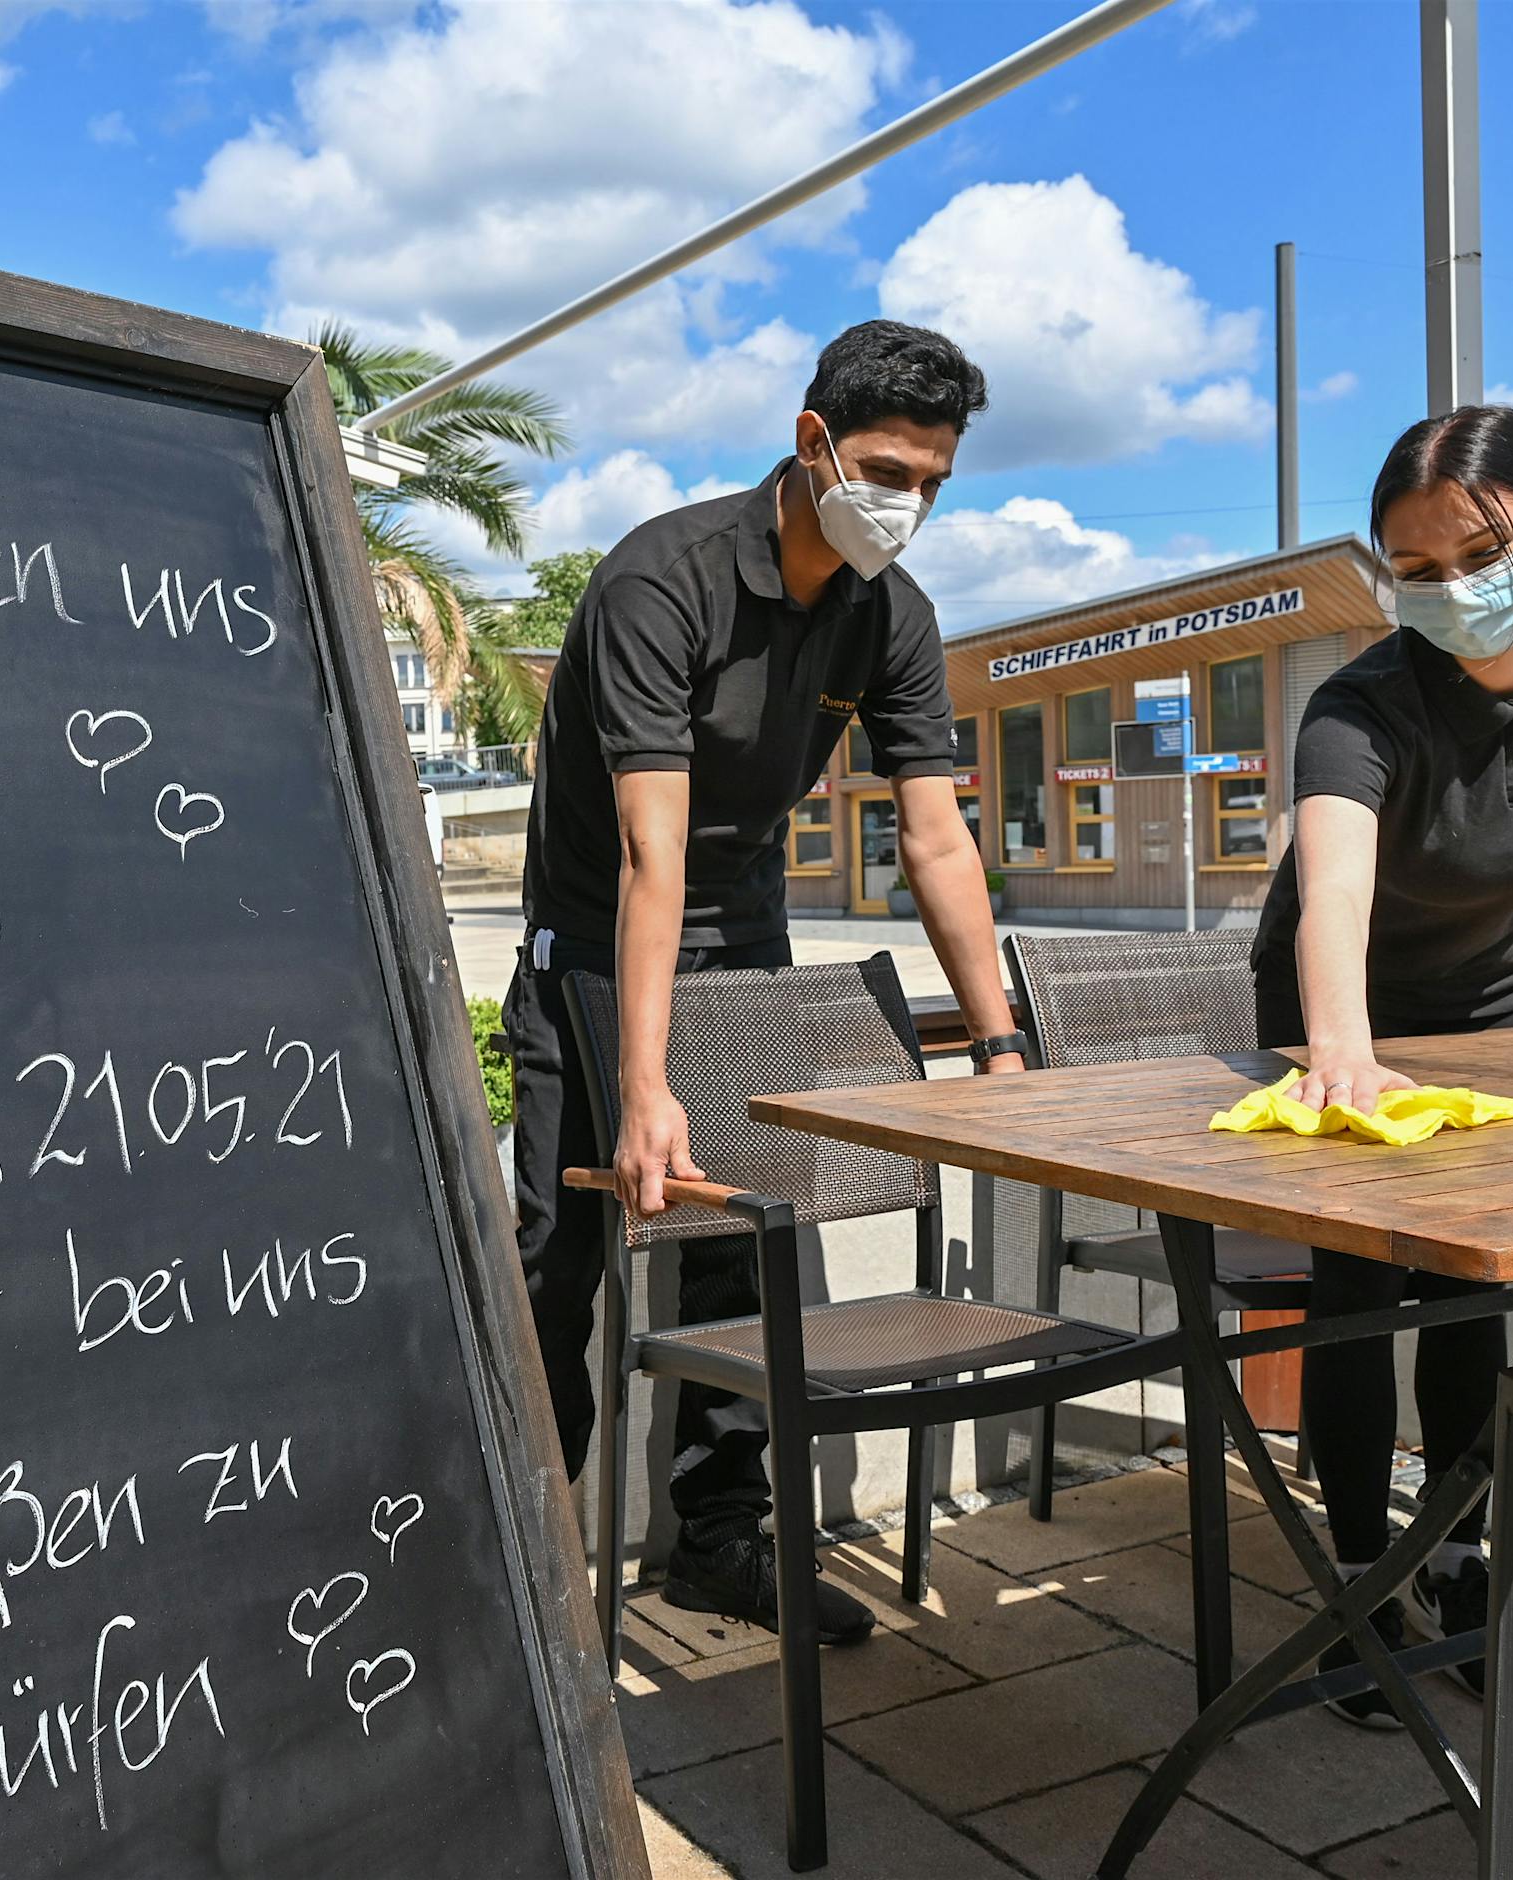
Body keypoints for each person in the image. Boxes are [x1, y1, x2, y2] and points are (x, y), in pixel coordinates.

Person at [502, 321, 1029, 1647]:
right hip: (594, 954)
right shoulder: (659, 584)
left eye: (932, 483)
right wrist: (643, 1085)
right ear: (813, 443)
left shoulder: (889, 614)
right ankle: (515, 1566)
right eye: (889, 470)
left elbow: (933, 837)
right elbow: (648, 847)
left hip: (748, 955)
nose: (907, 505)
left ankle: (721, 1542)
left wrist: (1004, 1047)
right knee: (558, 1271)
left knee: (748, 1263)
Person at [1249, 404, 1513, 1727]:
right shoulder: (1357, 710)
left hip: (1500, 987)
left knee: (1478, 1278)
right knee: (1361, 1285)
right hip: (1346, 999)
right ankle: (1363, 1589)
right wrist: (1339, 1058)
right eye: (1414, 571)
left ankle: (1469, 1562)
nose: (1449, 592)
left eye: (1477, 556)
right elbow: (1330, 893)